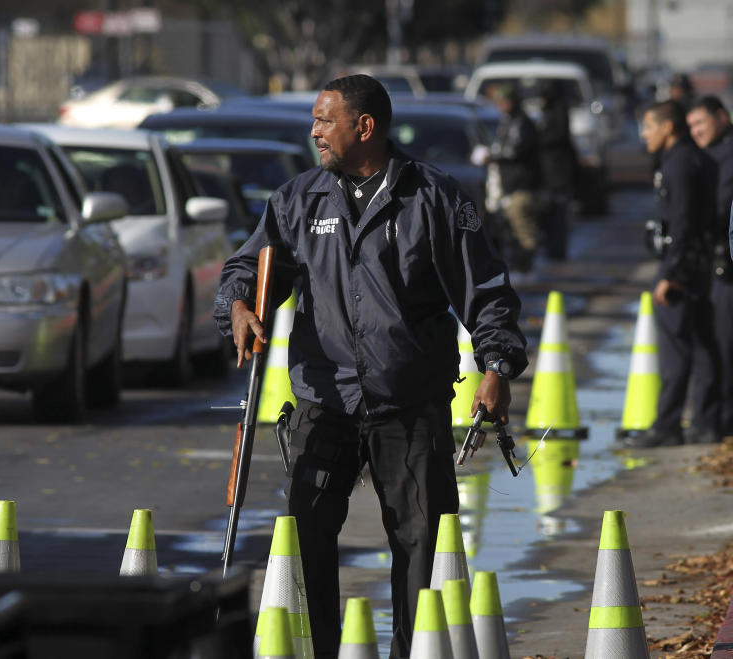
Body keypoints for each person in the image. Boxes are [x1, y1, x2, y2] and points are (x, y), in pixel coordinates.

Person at [213, 74, 528, 659]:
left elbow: (485, 291)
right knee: (308, 537)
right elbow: (246, 268)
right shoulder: (297, 200)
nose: (314, 132)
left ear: (365, 127)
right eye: (313, 120)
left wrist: (498, 365)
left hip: (407, 404)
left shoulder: (435, 197)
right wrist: (235, 305)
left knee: (418, 545)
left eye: (324, 120)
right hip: (323, 399)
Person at [626, 100, 720, 447]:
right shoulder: (694, 158)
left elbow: (683, 223)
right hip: (696, 264)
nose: (645, 135)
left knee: (676, 350)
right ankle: (706, 422)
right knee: (703, 344)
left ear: (668, 128)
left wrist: (671, 272)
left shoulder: (680, 164)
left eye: (649, 127)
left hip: (682, 268)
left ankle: (667, 426)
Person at [687, 96, 733, 438]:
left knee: (721, 343)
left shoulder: (727, 155)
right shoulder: (710, 154)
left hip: (723, 265)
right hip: (708, 263)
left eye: (701, 124)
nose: (696, 132)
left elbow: (718, 211)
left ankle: (717, 422)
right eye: (691, 127)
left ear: (721, 117)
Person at [489, 83, 541, 274]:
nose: (501, 106)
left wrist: (492, 156)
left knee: (522, 227)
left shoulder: (521, 123)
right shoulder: (507, 121)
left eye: (504, 101)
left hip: (520, 185)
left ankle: (526, 268)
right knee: (510, 228)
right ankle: (520, 266)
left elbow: (514, 150)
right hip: (508, 185)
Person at [536, 79, 578, 261]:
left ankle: (557, 249)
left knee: (558, 212)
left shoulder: (559, 111)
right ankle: (552, 248)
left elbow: (558, 137)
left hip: (557, 173)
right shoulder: (548, 112)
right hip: (548, 173)